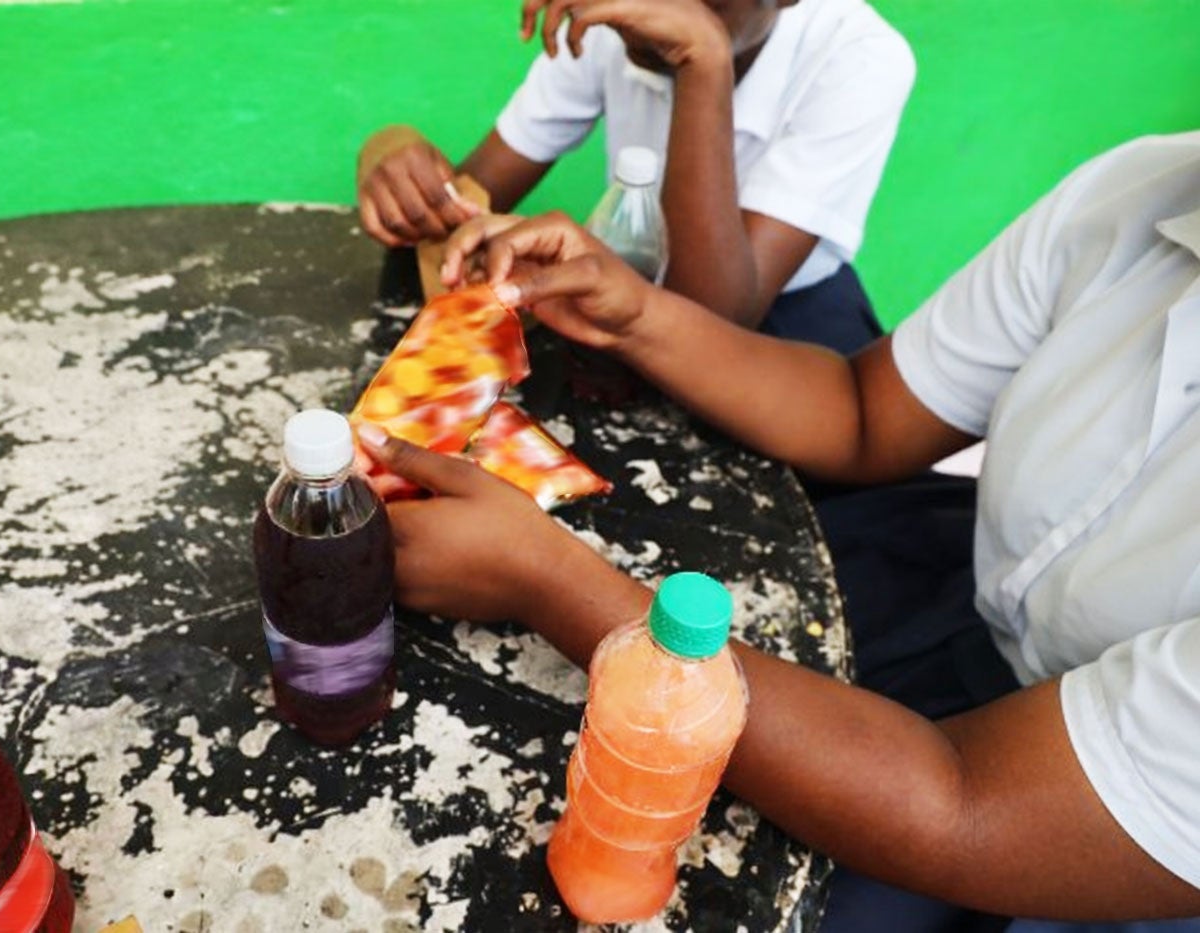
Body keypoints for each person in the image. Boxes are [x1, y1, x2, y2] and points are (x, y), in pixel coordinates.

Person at [353, 130, 1200, 929]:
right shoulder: (1139, 194)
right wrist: (636, 315)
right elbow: (862, 411)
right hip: (954, 585)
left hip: (1072, 825)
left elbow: (966, 804)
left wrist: (545, 578)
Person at [356, 0, 914, 355]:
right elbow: (462, 206)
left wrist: (705, 60)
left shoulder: (862, 60)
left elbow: (715, 321)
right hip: (629, 297)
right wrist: (393, 154)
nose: (655, 13)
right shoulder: (613, 20)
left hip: (789, 333)